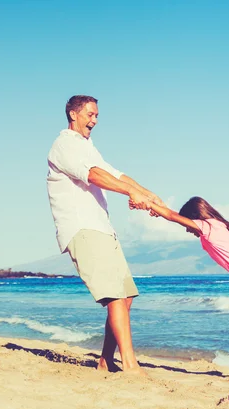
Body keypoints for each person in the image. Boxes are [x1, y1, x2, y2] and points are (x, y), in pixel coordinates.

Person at [47, 95, 162, 375]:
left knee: (125, 297)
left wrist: (147, 194)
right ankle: (130, 365)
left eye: (97, 115)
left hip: (102, 228)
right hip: (82, 228)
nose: (94, 120)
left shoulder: (86, 146)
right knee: (113, 296)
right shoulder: (64, 145)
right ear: (73, 115)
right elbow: (94, 175)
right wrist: (130, 193)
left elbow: (113, 173)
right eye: (89, 114)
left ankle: (105, 361)